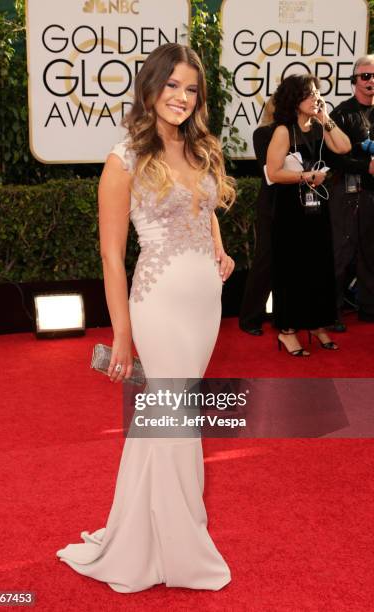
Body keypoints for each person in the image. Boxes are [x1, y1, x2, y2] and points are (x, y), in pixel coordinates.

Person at [56, 43, 236, 592]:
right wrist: (122, 335)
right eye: (172, 85)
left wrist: (221, 250)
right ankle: (173, 546)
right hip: (156, 303)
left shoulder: (202, 148)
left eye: (191, 88)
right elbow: (112, 256)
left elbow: (204, 210)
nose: (181, 97)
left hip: (205, 302)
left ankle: (149, 536)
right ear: (151, 87)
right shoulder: (124, 158)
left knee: (167, 425)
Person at [266, 74, 351, 356]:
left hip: (317, 205)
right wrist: (305, 176)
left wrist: (325, 116)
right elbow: (274, 172)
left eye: (317, 92)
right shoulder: (283, 131)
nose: (316, 97)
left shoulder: (318, 125)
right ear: (294, 99)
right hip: (291, 209)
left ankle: (316, 324)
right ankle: (287, 331)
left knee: (319, 266)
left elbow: (344, 147)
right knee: (293, 269)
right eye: (309, 93)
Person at [326, 54, 374, 329]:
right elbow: (333, 159)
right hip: (347, 192)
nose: (370, 81)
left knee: (371, 251)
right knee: (341, 251)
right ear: (354, 80)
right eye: (365, 76)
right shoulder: (341, 113)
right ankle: (331, 312)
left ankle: (368, 308)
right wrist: (365, 166)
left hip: (372, 193)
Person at [239, 97, 276, 335]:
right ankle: (250, 318)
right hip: (272, 203)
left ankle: (284, 315)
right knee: (265, 260)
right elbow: (269, 169)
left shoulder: (299, 132)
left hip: (295, 204)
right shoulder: (262, 134)